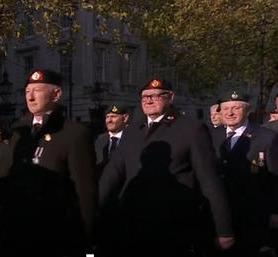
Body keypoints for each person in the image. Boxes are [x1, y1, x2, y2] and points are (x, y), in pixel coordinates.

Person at [98, 79, 235, 257]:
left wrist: (223, 229)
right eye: (145, 97)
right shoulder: (132, 130)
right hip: (133, 223)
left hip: (173, 224)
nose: (148, 101)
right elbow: (112, 173)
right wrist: (96, 210)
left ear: (170, 97)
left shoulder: (191, 129)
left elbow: (209, 180)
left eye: (156, 96)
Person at [0, 69, 97, 257]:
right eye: (27, 92)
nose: (30, 97)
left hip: (54, 239)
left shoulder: (74, 134)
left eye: (37, 90)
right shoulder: (19, 132)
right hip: (16, 236)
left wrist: (85, 243)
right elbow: (6, 179)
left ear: (56, 94)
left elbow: (85, 194)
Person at [211, 90, 278, 257]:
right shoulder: (212, 135)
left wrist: (275, 212)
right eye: (225, 109)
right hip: (218, 216)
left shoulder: (267, 137)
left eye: (236, 108)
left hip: (251, 216)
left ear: (247, 111)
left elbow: (275, 177)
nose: (230, 113)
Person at [94, 105, 129, 172]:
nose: (109, 120)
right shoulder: (99, 140)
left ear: (125, 118)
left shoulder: (132, 138)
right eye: (107, 117)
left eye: (113, 116)